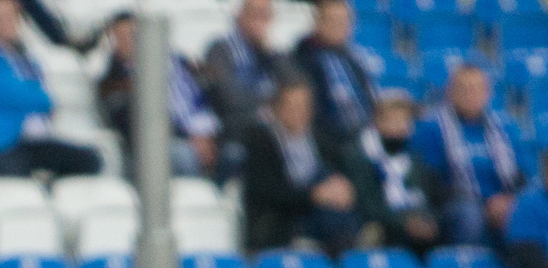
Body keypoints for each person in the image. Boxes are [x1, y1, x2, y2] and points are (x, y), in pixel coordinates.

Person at [0, 0, 102, 184]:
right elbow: (17, 95)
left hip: (18, 142)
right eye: (0, 17)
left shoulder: (22, 59)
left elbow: (34, 97)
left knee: (87, 160)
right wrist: (35, 98)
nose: (7, 23)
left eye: (11, 17)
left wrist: (34, 98)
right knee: (17, 179)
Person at [242, 79, 362, 255]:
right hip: (284, 216)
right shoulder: (260, 141)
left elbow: (342, 169)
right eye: (293, 106)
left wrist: (344, 187)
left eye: (305, 107)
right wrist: (313, 195)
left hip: (320, 210)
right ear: (277, 108)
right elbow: (265, 191)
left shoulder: (320, 141)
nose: (300, 113)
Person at [98, 11, 221, 180]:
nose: (128, 41)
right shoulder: (112, 81)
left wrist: (205, 133)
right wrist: (190, 136)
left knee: (236, 150)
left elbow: (199, 98)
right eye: (121, 36)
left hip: (202, 132)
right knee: (183, 156)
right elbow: (133, 122)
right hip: (156, 145)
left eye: (132, 35)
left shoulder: (178, 62)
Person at [411, 64, 523, 246]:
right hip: (455, 203)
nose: (470, 94)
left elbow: (520, 175)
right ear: (450, 92)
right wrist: (484, 204)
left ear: (487, 93)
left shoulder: (505, 128)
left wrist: (508, 200)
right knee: (470, 215)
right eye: (463, 88)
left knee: (528, 212)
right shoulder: (432, 127)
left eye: (477, 89)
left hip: (501, 201)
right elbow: (429, 181)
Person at [345, 91, 446, 257]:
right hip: (384, 226)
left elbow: (427, 195)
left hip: (416, 221)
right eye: (392, 120)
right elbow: (367, 204)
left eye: (403, 121)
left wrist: (427, 220)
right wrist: (404, 223)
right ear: (377, 121)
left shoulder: (414, 157)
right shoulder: (360, 156)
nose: (398, 127)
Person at [201, 0, 297, 167]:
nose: (259, 20)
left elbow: (296, 90)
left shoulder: (274, 55)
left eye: (265, 15)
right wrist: (274, 105)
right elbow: (229, 98)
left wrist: (271, 54)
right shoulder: (219, 50)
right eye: (254, 13)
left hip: (276, 136)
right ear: (240, 15)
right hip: (236, 134)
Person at [293, 0, 376, 158]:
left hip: (364, 139)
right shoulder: (304, 58)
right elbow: (312, 113)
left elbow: (368, 100)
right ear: (318, 22)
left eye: (344, 22)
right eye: (333, 21)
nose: (339, 27)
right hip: (331, 145)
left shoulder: (353, 60)